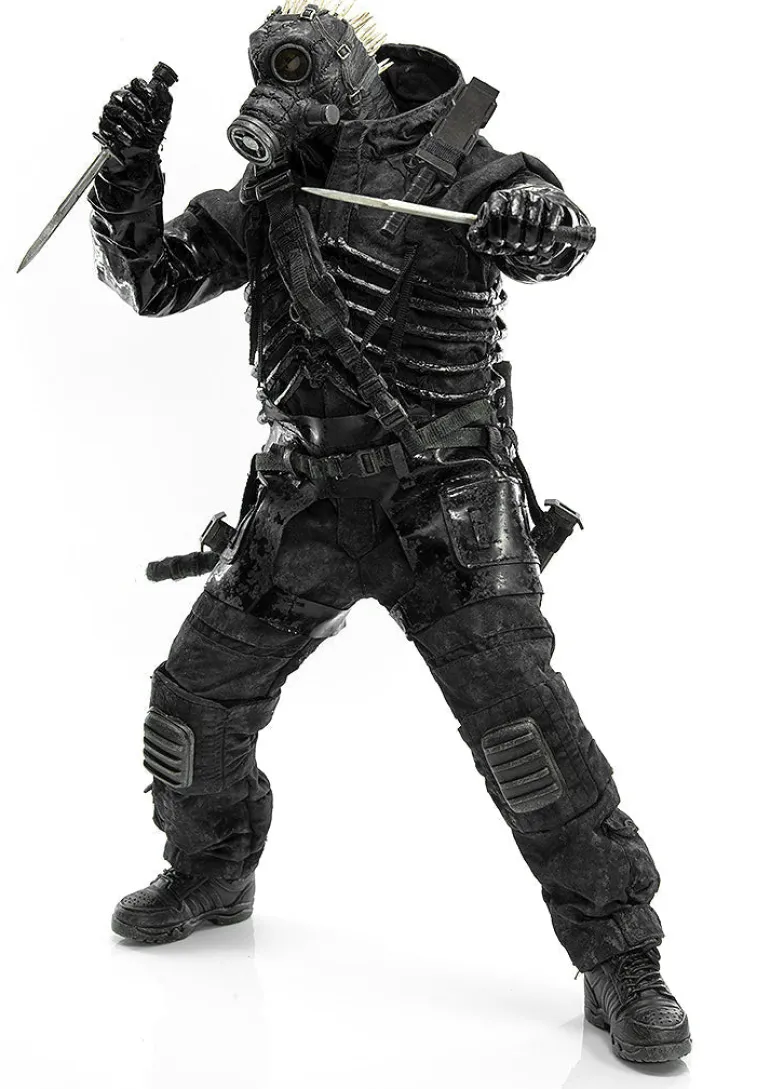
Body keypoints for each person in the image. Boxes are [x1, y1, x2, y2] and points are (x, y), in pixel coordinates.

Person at [91, 1, 690, 1064]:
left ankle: (620, 956)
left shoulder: (471, 168)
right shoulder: (271, 191)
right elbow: (148, 279)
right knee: (193, 702)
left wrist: (536, 218)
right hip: (302, 504)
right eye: (268, 65)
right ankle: (210, 869)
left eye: (300, 65)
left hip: (446, 509)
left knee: (524, 732)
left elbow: (555, 232)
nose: (281, 85)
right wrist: (126, 170)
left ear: (356, 71)